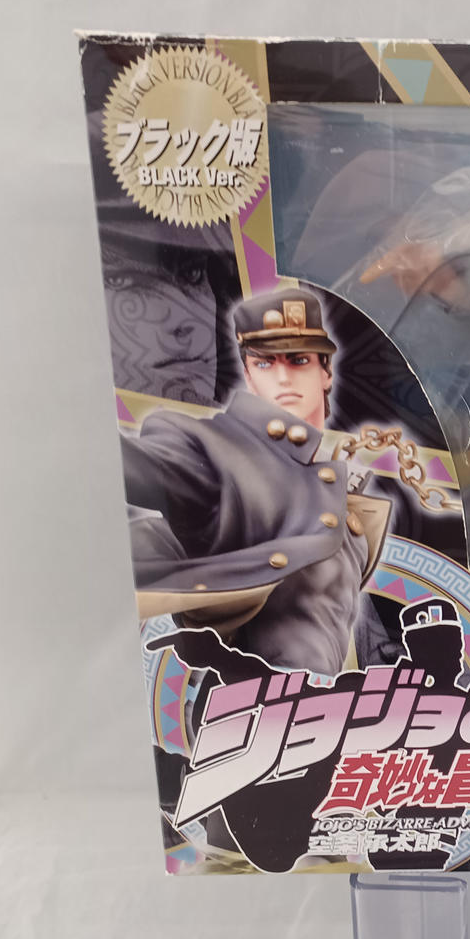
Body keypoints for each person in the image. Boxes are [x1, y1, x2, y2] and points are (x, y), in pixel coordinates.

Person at [121, 287, 391, 676]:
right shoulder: (208, 447)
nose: (282, 377)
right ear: (248, 374)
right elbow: (142, 468)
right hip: (249, 706)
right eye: (264, 363)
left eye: (299, 361)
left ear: (326, 371)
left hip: (325, 705)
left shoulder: (334, 482)